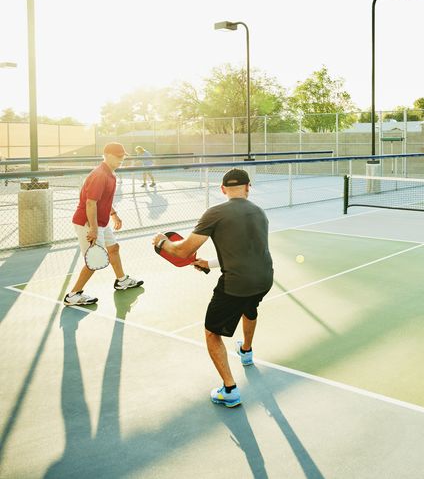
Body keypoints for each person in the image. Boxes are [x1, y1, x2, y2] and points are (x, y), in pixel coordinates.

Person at [152, 167, 273, 408]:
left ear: (223, 189)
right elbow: (247, 253)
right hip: (264, 279)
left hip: (235, 284)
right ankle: (246, 352)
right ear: (248, 188)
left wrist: (161, 242)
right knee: (249, 309)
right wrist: (209, 263)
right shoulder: (260, 213)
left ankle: (229, 390)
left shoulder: (215, 213)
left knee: (212, 332)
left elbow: (182, 250)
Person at [64, 142, 144, 306]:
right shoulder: (100, 175)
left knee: (113, 248)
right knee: (94, 260)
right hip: (88, 222)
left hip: (100, 221)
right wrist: (93, 229)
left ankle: (121, 281)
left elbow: (103, 200)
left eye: (123, 156)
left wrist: (114, 214)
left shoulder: (110, 174)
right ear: (107, 155)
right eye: (118, 156)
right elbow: (90, 204)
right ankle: (73, 295)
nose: (121, 159)